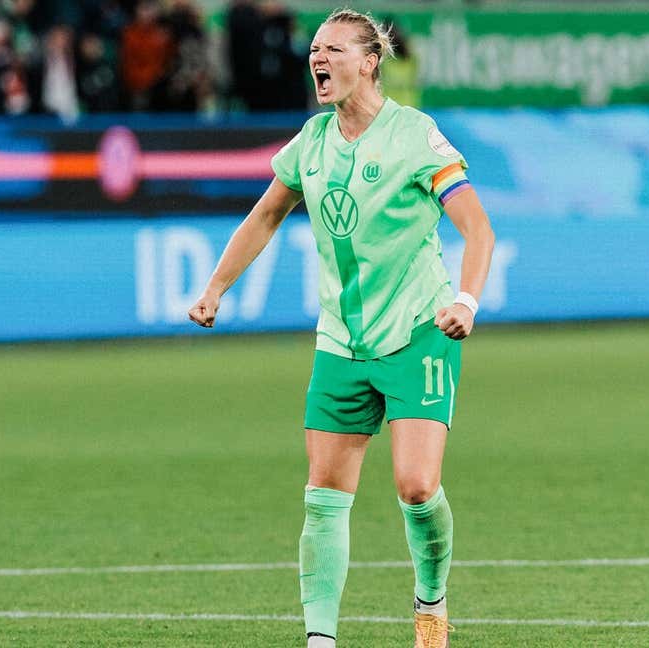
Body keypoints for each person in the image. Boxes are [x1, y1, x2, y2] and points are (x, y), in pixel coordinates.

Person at [188, 9, 494, 648]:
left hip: (420, 327)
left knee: (416, 486)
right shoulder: (313, 141)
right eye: (314, 49)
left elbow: (476, 226)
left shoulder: (415, 135)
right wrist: (216, 287)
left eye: (331, 49)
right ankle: (320, 640)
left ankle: (431, 602)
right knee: (324, 495)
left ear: (368, 62)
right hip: (341, 341)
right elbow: (266, 216)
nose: (316, 59)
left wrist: (466, 300)